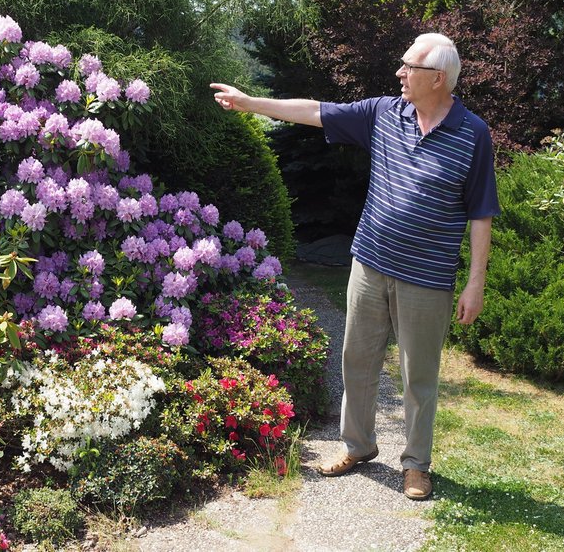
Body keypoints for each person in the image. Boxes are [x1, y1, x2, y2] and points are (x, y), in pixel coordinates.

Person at [210, 33, 499, 500]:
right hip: (370, 264)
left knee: (418, 375)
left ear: (438, 78)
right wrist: (249, 103)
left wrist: (475, 283)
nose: (400, 74)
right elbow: (315, 110)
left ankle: (415, 464)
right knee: (357, 361)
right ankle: (358, 446)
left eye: (410, 67)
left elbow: (481, 212)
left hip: (427, 278)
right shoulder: (385, 112)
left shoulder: (472, 134)